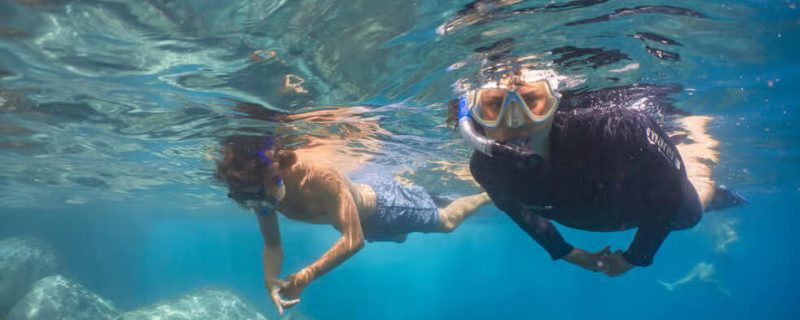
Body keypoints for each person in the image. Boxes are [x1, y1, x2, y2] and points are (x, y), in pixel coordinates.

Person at [447, 71, 746, 277]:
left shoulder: (618, 129)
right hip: (597, 212)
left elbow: (670, 193)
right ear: (472, 114)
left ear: (553, 104)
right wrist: (572, 254)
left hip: (651, 205)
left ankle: (701, 164)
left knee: (691, 212)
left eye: (531, 100)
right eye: (494, 105)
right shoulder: (485, 167)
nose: (515, 120)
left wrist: (636, 257)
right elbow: (519, 213)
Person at [214, 134, 489, 315]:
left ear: (274, 172)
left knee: (447, 222)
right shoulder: (260, 192)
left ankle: (487, 195)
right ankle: (425, 197)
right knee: (400, 237)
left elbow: (352, 241)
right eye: (250, 199)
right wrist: (269, 280)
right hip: (365, 222)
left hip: (386, 207)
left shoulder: (319, 176)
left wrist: (304, 277)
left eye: (261, 195)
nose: (261, 205)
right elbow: (273, 244)